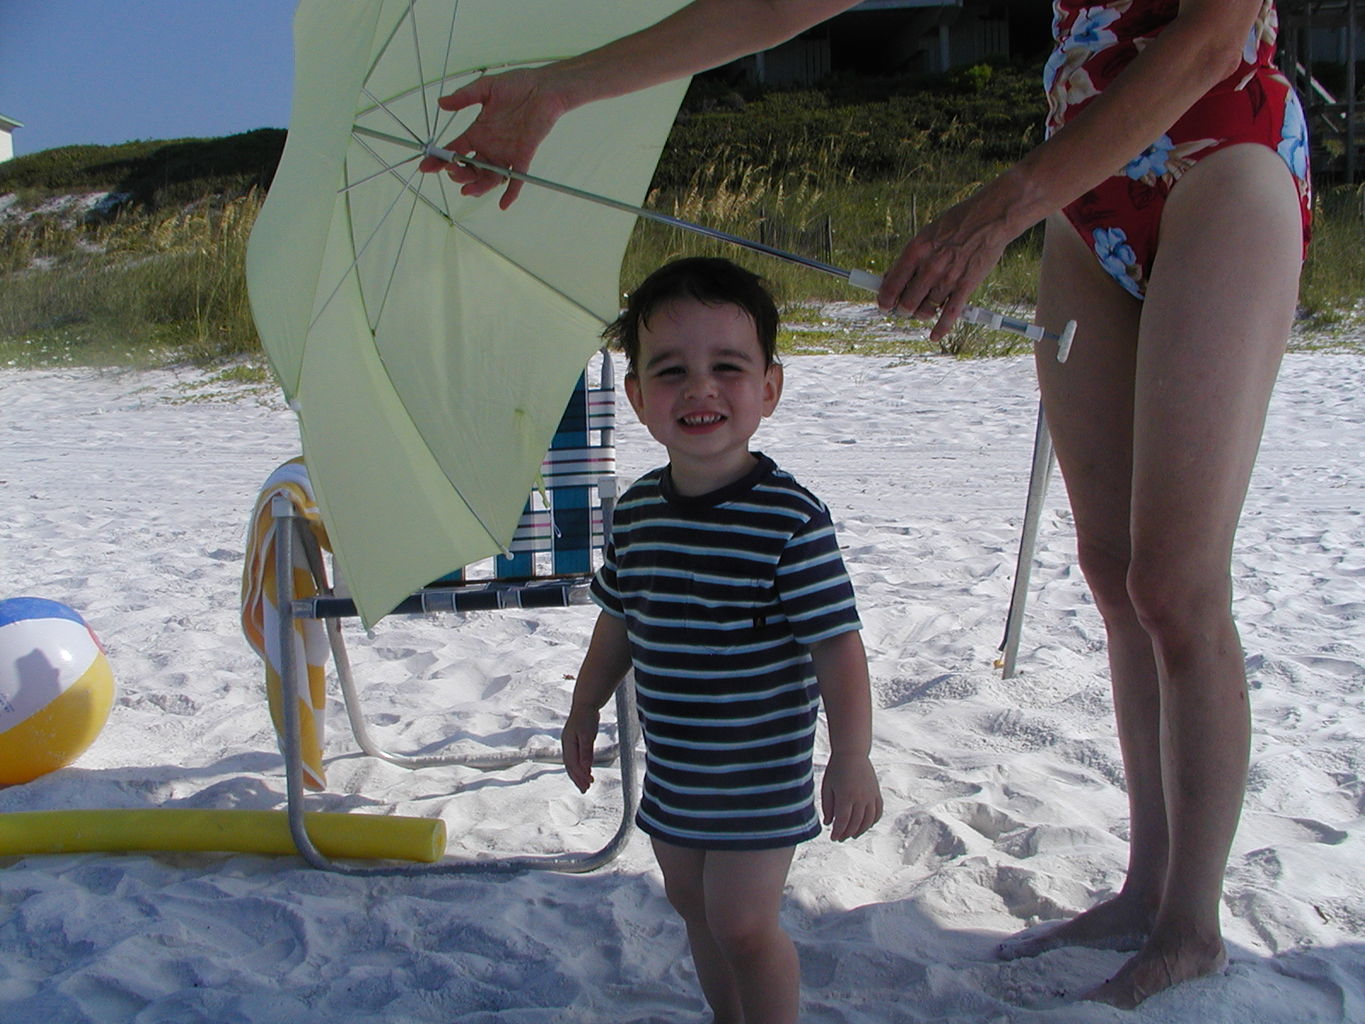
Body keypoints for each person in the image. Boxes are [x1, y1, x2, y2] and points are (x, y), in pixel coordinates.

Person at [422, 0, 1311, 1008]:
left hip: (1222, 155)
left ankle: (1191, 922)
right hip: (1090, 193)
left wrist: (998, 208)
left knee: (1175, 581)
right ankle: (1147, 884)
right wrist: (559, 90)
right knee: (1114, 573)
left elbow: (1207, 41)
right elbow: (772, 7)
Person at [563, 256, 882, 1024]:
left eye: (727, 367)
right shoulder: (638, 511)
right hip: (677, 766)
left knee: (742, 921)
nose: (700, 388)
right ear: (637, 398)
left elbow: (836, 644)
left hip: (758, 770)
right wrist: (582, 707)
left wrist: (851, 753)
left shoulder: (788, 519)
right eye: (670, 371)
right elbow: (618, 622)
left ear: (767, 389)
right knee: (691, 905)